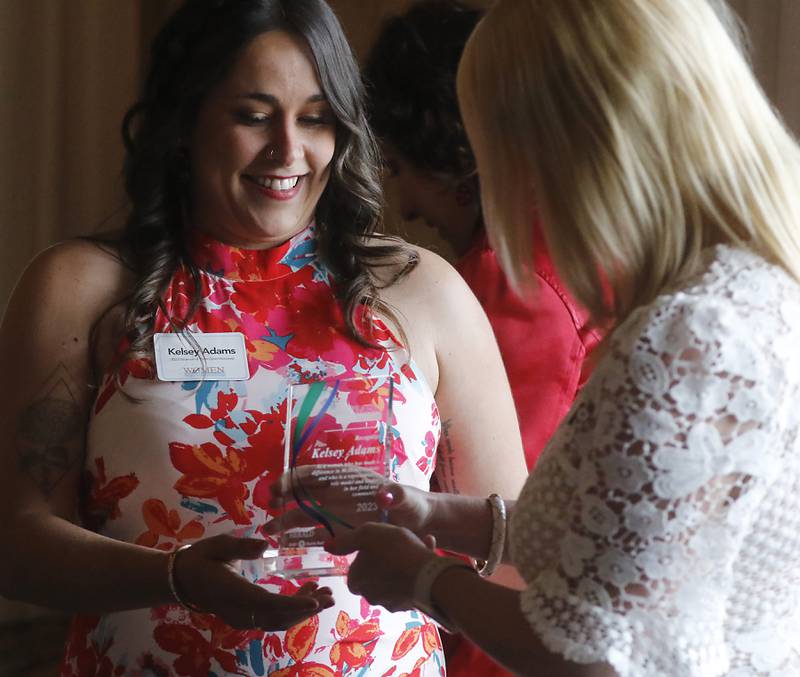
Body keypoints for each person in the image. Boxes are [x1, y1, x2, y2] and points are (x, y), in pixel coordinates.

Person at [0, 1, 527, 675]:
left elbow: (519, 546)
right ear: (184, 120)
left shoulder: (422, 293)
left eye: (314, 117)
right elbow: (16, 543)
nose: (288, 150)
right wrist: (173, 577)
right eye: (253, 115)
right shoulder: (82, 289)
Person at [275, 0, 800, 674]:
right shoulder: (757, 288)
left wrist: (427, 580)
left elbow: (595, 655)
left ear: (572, 147)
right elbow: (630, 539)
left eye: (498, 155)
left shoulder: (692, 337)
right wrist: (437, 512)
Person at [364, 0, 600, 473]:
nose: (405, 205)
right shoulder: (572, 231)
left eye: (397, 168)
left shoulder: (513, 273)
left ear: (450, 149)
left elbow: (498, 503)